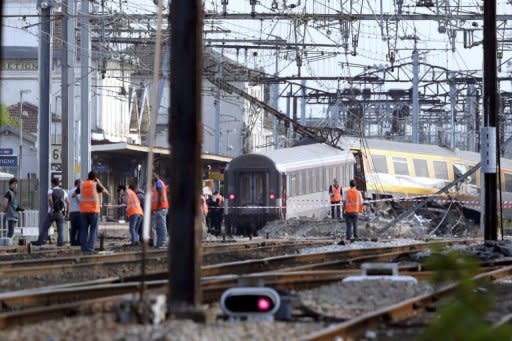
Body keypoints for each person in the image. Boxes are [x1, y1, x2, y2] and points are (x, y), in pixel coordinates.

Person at [77, 171, 109, 253]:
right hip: (94, 210)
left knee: (83, 229)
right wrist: (99, 183)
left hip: (83, 211)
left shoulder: (82, 184)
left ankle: (83, 248)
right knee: (93, 229)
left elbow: (74, 194)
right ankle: (90, 248)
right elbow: (106, 192)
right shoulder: (95, 185)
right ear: (95, 178)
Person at [33, 177, 70, 246]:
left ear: (52, 183)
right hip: (60, 213)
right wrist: (67, 213)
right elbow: (68, 203)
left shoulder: (51, 190)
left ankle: (40, 241)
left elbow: (50, 199)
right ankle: (60, 243)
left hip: (52, 213)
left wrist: (52, 208)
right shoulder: (63, 191)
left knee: (45, 227)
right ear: (58, 184)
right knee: (60, 230)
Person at [151, 172, 169, 248]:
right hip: (159, 209)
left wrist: (158, 207)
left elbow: (161, 195)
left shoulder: (158, 183)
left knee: (162, 227)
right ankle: (159, 244)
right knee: (159, 228)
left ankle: (163, 243)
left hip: (161, 208)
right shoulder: (156, 184)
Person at [68, 179, 81, 246]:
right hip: (78, 212)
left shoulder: (69, 191)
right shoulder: (77, 191)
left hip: (71, 212)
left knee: (73, 228)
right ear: (78, 184)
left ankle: (72, 242)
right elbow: (79, 200)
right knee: (79, 228)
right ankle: (78, 242)